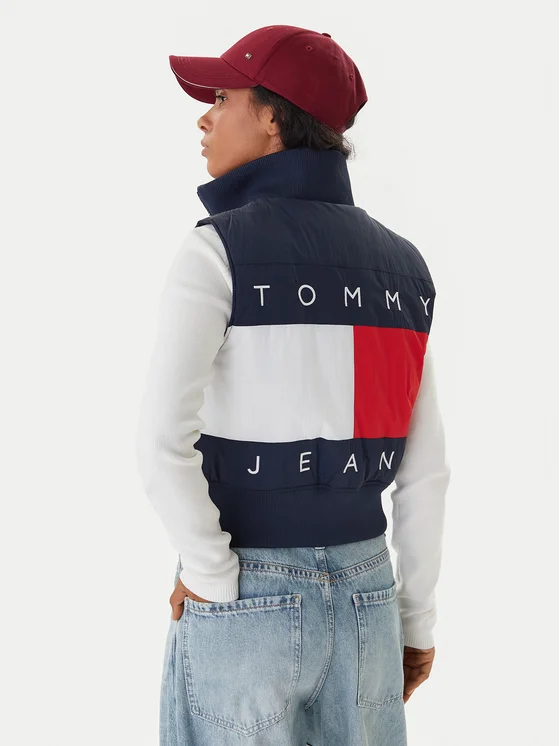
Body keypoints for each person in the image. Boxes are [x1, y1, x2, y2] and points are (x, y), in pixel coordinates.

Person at [135, 23, 451, 746]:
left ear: (274, 119)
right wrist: (414, 622)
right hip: (369, 596)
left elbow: (160, 442)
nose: (204, 118)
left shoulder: (217, 250)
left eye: (223, 98)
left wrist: (211, 574)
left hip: (244, 588)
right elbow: (425, 471)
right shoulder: (404, 269)